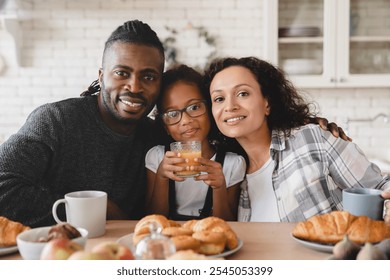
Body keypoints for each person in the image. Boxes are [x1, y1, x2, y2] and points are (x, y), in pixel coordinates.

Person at [0, 20, 165, 227]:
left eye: (148, 76)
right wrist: (93, 208)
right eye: (122, 73)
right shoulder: (56, 120)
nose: (134, 86)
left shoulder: (155, 136)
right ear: (102, 77)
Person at [203, 56, 390, 223]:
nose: (230, 106)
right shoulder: (234, 172)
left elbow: (380, 188)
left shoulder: (313, 139)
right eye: (219, 99)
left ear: (266, 103)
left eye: (243, 93)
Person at [145, 65, 245, 221]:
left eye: (194, 107)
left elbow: (228, 224)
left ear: (210, 109)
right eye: (172, 114)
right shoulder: (156, 157)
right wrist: (161, 177)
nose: (186, 120)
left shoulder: (233, 164)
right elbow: (152, 220)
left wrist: (219, 188)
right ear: (165, 126)